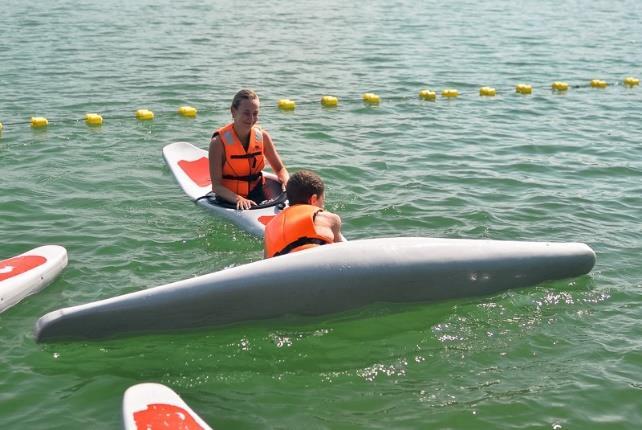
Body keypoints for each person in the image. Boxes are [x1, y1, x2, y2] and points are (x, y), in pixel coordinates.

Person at [209, 89, 289, 210]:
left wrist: (287, 182)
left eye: (255, 113)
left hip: (258, 192)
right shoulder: (218, 143)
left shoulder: (263, 136)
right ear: (233, 111)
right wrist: (238, 199)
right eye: (246, 113)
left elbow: (280, 169)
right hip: (229, 198)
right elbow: (216, 187)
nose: (251, 118)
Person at [264, 170, 344, 258]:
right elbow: (344, 252)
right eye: (322, 200)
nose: (323, 205)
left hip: (282, 269)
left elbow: (266, 262)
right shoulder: (329, 218)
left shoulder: (269, 228)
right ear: (313, 199)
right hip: (319, 265)